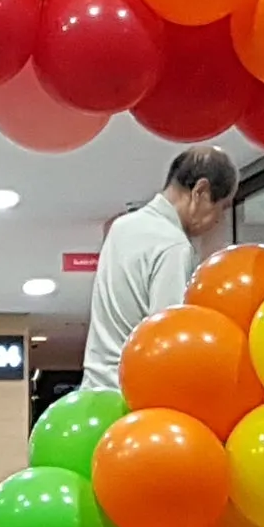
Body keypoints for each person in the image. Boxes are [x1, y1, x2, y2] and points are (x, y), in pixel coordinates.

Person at [85, 146, 241, 369]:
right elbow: (169, 343)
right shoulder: (173, 245)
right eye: (221, 207)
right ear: (201, 191)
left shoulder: (122, 227)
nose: (218, 220)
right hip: (132, 393)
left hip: (96, 387)